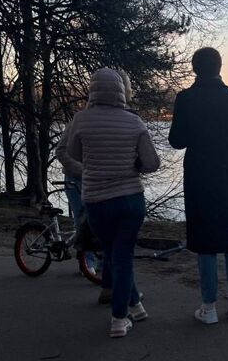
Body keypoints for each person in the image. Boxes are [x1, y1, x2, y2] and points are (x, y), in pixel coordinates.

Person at [168, 47, 228, 324]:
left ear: (194, 69)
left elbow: (176, 140)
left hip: (199, 177)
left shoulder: (185, 99)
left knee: (205, 241)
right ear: (220, 67)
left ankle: (208, 308)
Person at [68, 68, 161, 338]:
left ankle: (132, 309)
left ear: (92, 89)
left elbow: (74, 154)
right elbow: (152, 163)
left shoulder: (81, 120)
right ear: (121, 90)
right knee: (121, 255)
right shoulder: (134, 122)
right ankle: (123, 315)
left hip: (97, 201)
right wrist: (134, 164)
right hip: (130, 199)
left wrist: (96, 159)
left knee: (113, 253)